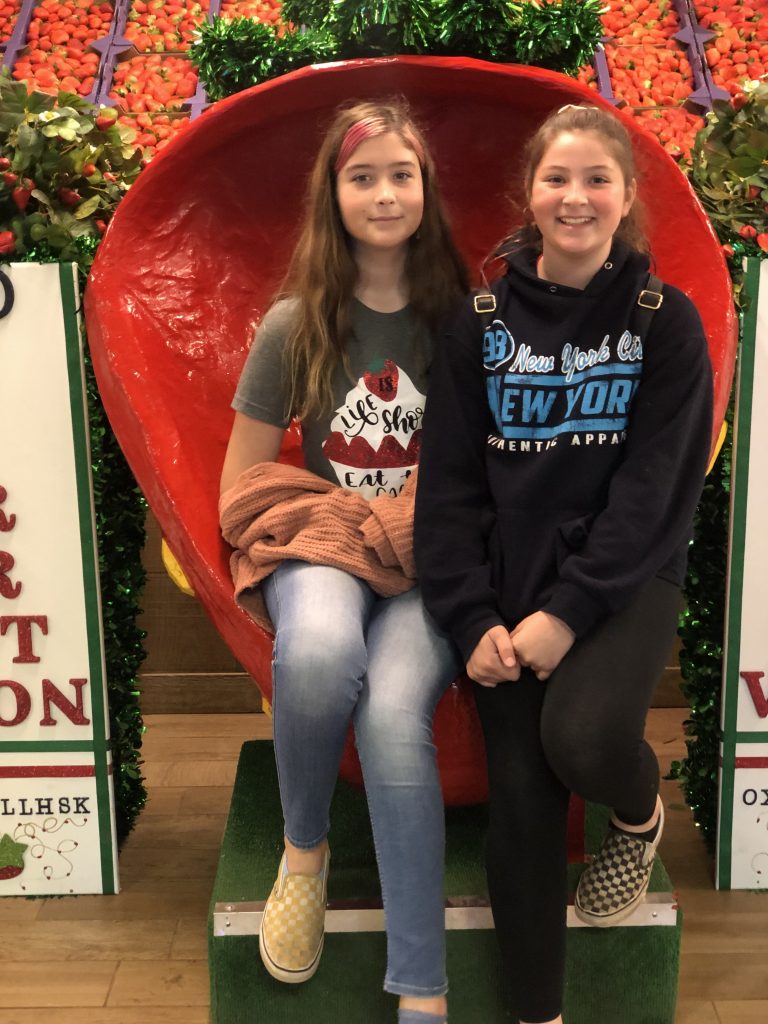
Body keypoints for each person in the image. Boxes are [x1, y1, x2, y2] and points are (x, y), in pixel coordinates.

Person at [413, 104, 713, 1024]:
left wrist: (568, 614)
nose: (575, 196)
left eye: (596, 179)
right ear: (529, 196)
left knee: (578, 742)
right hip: (506, 588)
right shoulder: (480, 321)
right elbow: (450, 489)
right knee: (521, 803)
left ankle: (636, 809)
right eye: (557, 178)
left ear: (626, 198)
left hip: (624, 580)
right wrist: (473, 621)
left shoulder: (667, 322)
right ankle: (535, 1012)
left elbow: (655, 495)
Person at [219, 99, 467, 1024]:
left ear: (425, 189)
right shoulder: (294, 323)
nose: (384, 192)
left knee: (396, 712)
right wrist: (340, 523)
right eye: (363, 176)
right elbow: (241, 481)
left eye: (401, 173)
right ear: (334, 195)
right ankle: (304, 850)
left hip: (424, 556)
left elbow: (481, 478)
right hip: (326, 540)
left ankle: (424, 994)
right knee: (320, 651)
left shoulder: (465, 324)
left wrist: (407, 524)